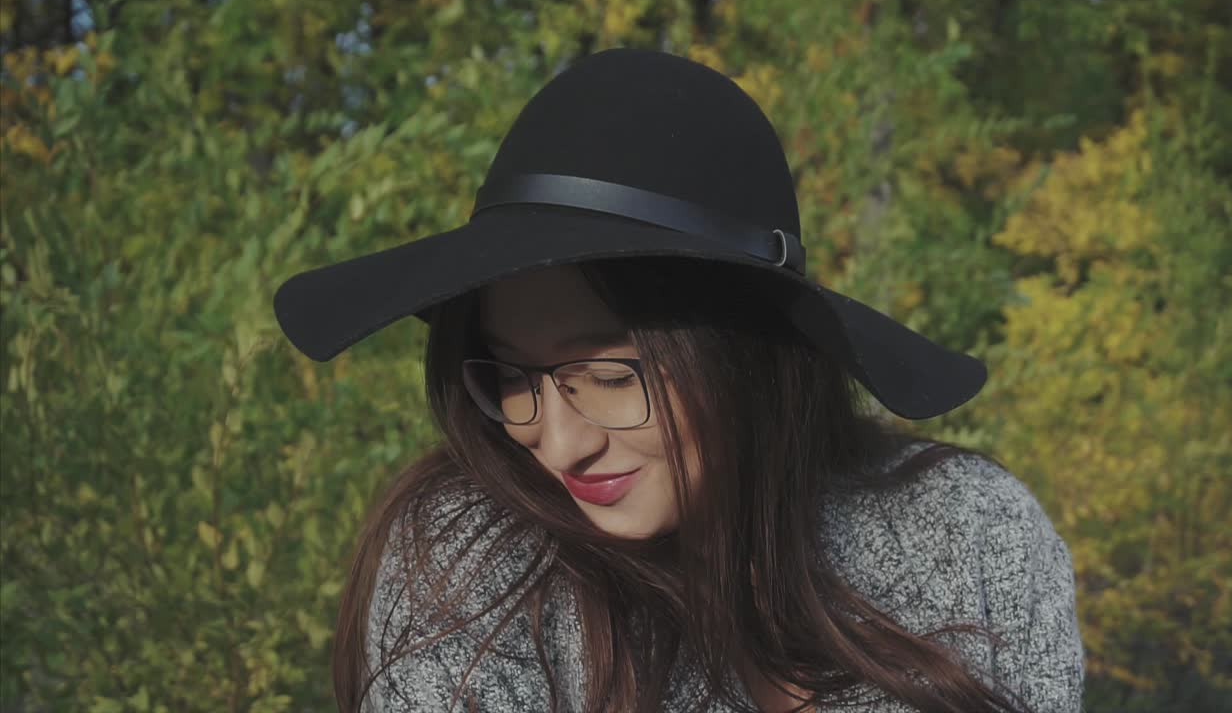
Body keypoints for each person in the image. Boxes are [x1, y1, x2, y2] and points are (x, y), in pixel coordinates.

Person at [274, 49, 1084, 713]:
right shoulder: (470, 558)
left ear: (744, 357)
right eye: (514, 378)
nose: (558, 444)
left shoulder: (970, 531)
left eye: (605, 375)